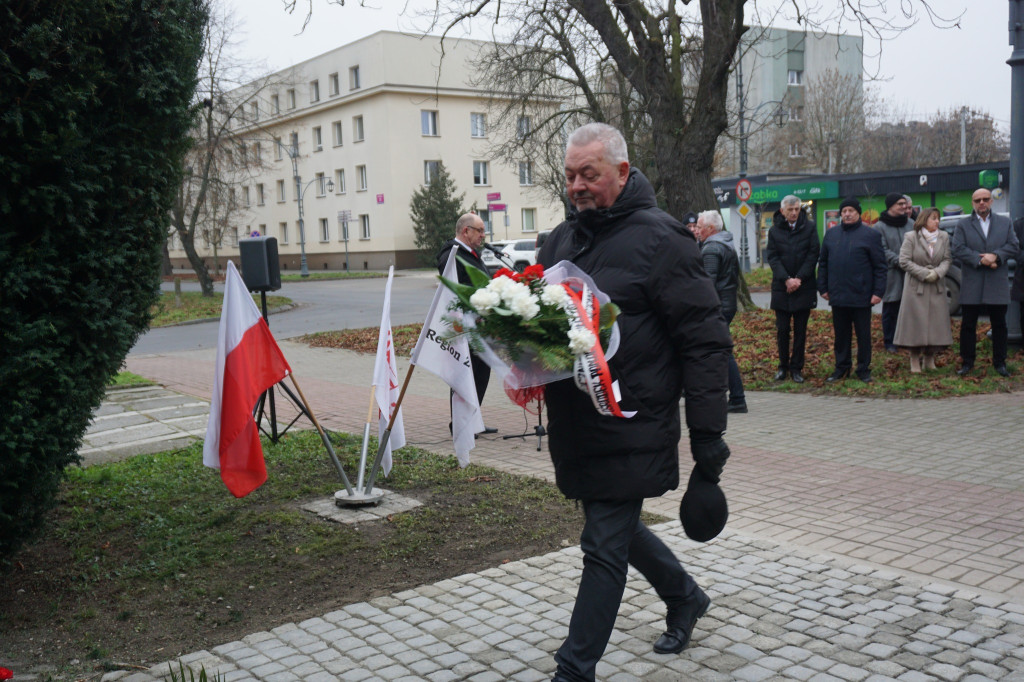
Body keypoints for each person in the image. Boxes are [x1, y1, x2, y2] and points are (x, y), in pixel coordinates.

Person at [537, 122, 732, 682]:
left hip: (633, 421)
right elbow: (549, 328)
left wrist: (707, 433)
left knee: (601, 542)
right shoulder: (559, 241)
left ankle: (574, 671)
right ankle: (685, 595)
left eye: (589, 174)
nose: (576, 185)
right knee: (614, 529)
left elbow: (704, 341)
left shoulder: (663, 240)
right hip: (577, 423)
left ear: (622, 173)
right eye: (570, 174)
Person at [436, 213, 496, 430]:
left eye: (483, 230)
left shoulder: (470, 253)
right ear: (466, 231)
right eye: (479, 230)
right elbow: (455, 290)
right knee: (465, 374)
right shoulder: (451, 255)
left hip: (479, 326)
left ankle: (472, 420)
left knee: (481, 373)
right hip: (464, 328)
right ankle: (460, 425)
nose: (483, 235)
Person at [817, 197, 886, 383]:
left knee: (863, 336)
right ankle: (842, 368)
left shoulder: (870, 235)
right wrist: (822, 287)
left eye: (851, 211)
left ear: (858, 213)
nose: (847, 214)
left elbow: (880, 266)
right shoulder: (831, 235)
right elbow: (822, 263)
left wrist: (878, 292)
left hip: (862, 295)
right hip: (838, 294)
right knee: (841, 336)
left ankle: (863, 369)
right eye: (844, 211)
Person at [951, 188, 1020, 377]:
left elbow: (1013, 245)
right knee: (968, 325)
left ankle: (1000, 363)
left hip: (996, 281)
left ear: (991, 201)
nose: (982, 203)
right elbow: (957, 248)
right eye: (978, 200)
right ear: (972, 203)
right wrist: (980, 259)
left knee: (999, 325)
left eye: (985, 199)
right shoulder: (963, 224)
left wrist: (996, 257)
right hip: (972, 280)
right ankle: (967, 363)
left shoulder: (1004, 223)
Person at [696, 210, 747, 412]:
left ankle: (736, 398)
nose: (697, 231)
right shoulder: (725, 243)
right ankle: (730, 396)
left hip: (716, 307)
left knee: (721, 353)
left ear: (710, 229)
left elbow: (706, 284)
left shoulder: (711, 249)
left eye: (700, 227)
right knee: (718, 352)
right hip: (725, 305)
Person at [766, 195, 820, 383]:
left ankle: (797, 368)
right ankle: (783, 367)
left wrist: (798, 279)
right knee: (782, 330)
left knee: (800, 331)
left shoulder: (810, 228)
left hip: (803, 286)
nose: (794, 212)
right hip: (782, 288)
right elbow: (772, 257)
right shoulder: (774, 231)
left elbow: (813, 254)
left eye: (797, 209)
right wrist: (787, 280)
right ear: (783, 211)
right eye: (790, 209)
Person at [893, 208, 953, 372]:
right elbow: (904, 261)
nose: (937, 221)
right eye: (934, 218)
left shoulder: (944, 237)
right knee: (914, 324)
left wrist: (937, 273)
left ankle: (929, 359)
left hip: (936, 286)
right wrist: (925, 273)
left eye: (938, 218)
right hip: (915, 287)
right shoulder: (911, 237)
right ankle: (914, 359)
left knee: (935, 324)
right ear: (924, 219)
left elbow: (947, 259)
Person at [874, 193, 914, 352]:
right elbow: (881, 250)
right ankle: (890, 341)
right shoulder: (879, 227)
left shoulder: (911, 223)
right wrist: (901, 261)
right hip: (891, 274)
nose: (905, 207)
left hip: (911, 273)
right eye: (900, 204)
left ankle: (906, 339)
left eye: (905, 204)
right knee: (891, 309)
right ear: (890, 206)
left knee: (909, 308)